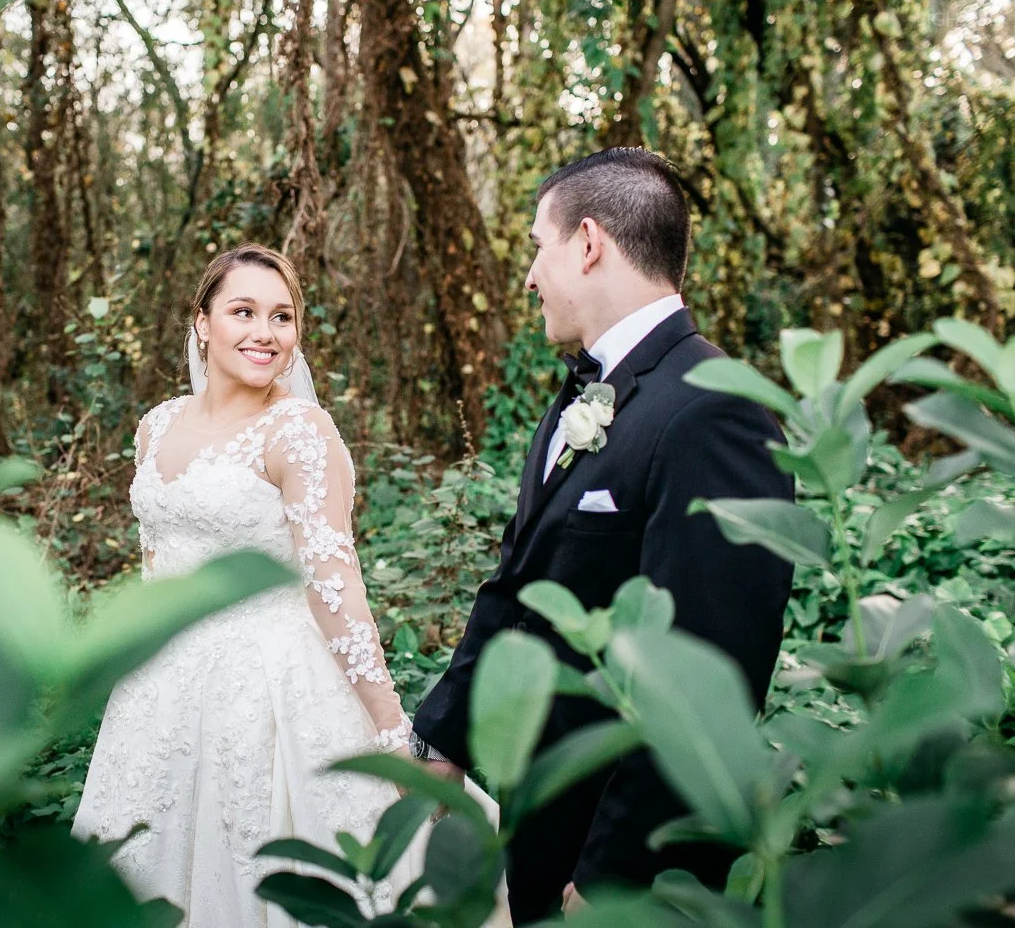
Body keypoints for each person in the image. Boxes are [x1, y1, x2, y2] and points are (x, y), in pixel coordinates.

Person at [410, 148, 795, 923]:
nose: (528, 276)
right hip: (541, 823)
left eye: (535, 246)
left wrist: (622, 866)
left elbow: (712, 669)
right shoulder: (579, 398)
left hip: (616, 860)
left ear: (588, 243)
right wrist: (444, 735)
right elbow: (521, 581)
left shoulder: (717, 411)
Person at [73, 243, 508, 926]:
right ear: (203, 321)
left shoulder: (299, 431)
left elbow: (336, 587)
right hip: (158, 694)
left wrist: (395, 738)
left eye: (282, 316)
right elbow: (154, 562)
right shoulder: (155, 427)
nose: (265, 333)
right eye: (243, 311)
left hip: (266, 688)